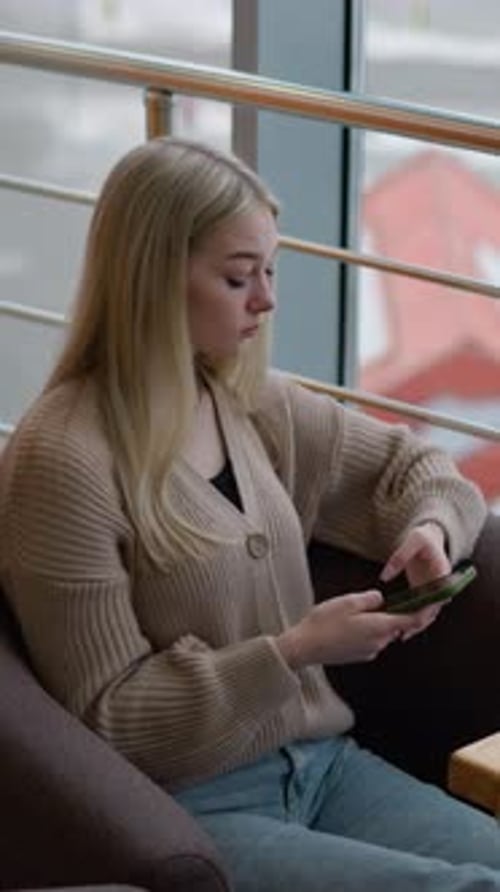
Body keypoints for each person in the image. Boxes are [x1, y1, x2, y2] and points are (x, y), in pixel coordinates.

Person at [0, 136, 499, 892]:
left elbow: (420, 471)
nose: (266, 300)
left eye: (269, 271)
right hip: (194, 805)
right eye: (239, 278)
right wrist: (292, 652)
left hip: (323, 765)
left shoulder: (244, 400)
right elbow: (109, 719)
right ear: (154, 281)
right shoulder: (64, 461)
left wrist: (429, 532)